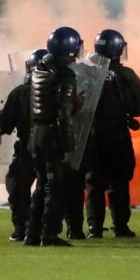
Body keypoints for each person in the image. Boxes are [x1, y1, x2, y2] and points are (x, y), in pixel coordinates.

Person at [23, 26, 84, 248]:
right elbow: (64, 114)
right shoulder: (65, 75)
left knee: (41, 186)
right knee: (55, 186)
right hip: (52, 136)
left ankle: (32, 234)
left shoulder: (39, 70)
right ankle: (49, 234)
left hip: (36, 133)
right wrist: (69, 147)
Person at [85, 29, 140, 239]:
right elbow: (139, 107)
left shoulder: (87, 72)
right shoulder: (127, 75)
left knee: (94, 184)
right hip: (117, 135)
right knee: (119, 182)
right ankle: (120, 227)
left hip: (90, 136)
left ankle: (94, 228)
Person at [0, 48, 45, 243]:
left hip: (27, 147)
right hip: (50, 148)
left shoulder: (19, 93)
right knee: (48, 189)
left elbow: (5, 125)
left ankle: (23, 228)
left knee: (17, 185)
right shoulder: (59, 89)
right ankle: (43, 227)